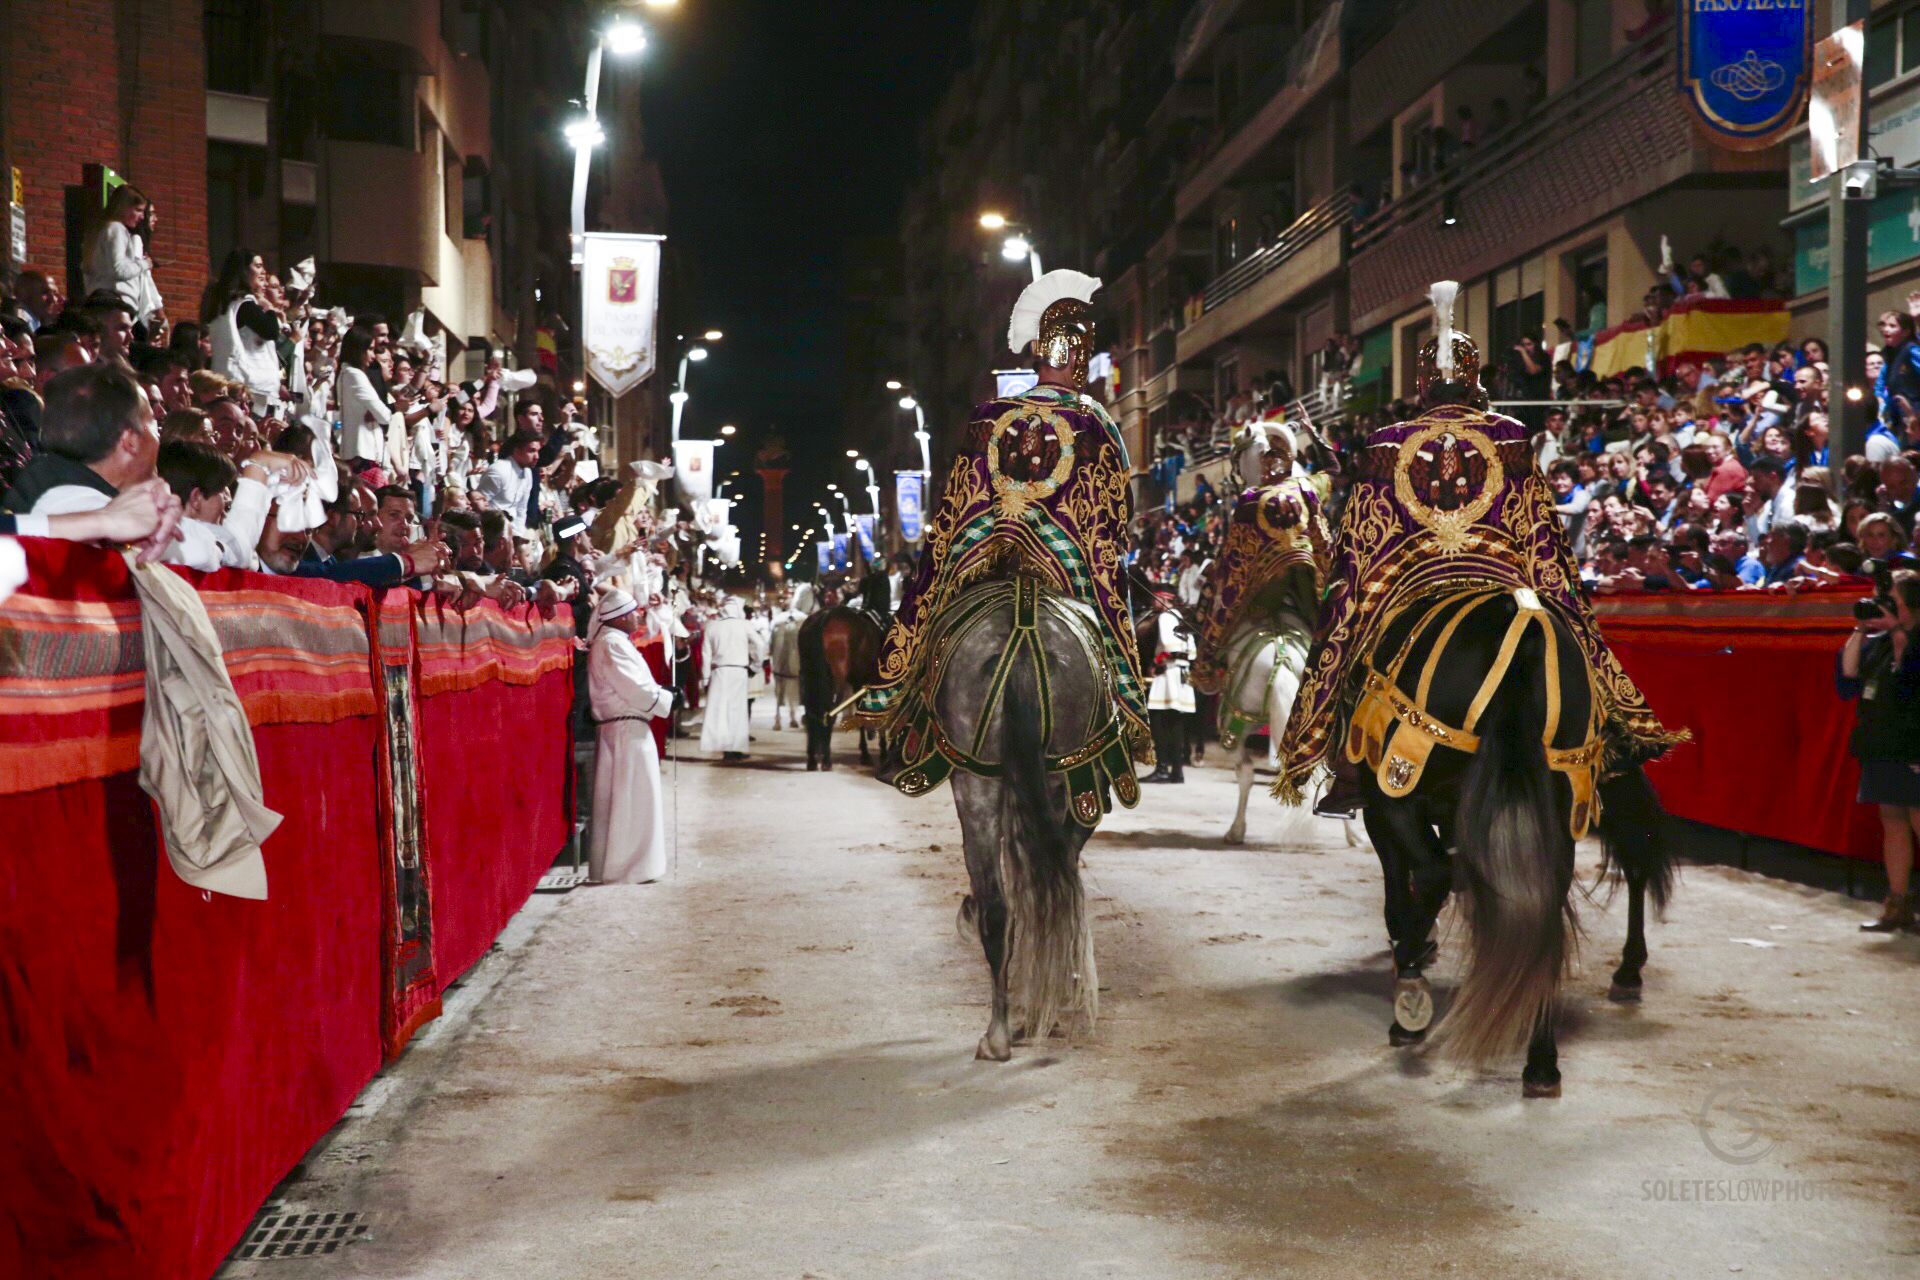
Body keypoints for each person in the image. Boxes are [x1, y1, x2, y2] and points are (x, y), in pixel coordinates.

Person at [1277, 280, 1684, 817]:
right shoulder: (1512, 433)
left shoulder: (1387, 440)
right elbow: (1541, 531)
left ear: (1423, 382)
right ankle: (1614, 742)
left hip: (1408, 577)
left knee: (1345, 637)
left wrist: (1348, 588)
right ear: (1473, 380)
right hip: (1503, 573)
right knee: (1574, 632)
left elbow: (1365, 537)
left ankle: (1347, 773)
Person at [853, 268, 1153, 786]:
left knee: (932, 601)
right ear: (1077, 356)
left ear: (1039, 354)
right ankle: (1122, 719)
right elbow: (1115, 505)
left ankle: (907, 718)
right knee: (1108, 620)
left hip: (986, 541)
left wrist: (972, 534)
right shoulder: (1094, 420)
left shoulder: (990, 413)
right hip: (1067, 554)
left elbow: (959, 497)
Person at [1838, 571, 1920, 932]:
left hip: (1914, 744)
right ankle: (1897, 905)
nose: (1885, 606)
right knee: (1893, 821)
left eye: (1893, 601)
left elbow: (1909, 680)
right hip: (1883, 743)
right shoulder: (1881, 641)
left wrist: (1900, 633)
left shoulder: (1911, 639)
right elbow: (1849, 674)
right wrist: (1860, 628)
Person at [587, 589, 677, 885]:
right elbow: (633, 687)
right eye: (634, 612)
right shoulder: (612, 644)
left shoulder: (615, 642)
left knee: (631, 799)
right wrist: (663, 698)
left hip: (626, 728)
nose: (638, 616)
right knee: (631, 800)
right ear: (622, 616)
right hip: (626, 731)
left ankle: (632, 865)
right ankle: (629, 867)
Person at [699, 595, 756, 760]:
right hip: (739, 671)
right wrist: (756, 666)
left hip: (719, 672)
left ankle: (724, 747)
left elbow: (706, 654)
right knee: (737, 710)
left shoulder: (712, 626)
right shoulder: (745, 625)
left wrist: (705, 678)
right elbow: (759, 645)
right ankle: (735, 747)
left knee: (720, 710)